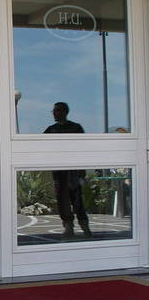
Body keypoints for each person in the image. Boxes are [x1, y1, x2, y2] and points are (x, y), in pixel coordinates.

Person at [44, 102, 92, 237]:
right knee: (62, 200)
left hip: (74, 170)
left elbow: (83, 148)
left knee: (77, 200)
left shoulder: (75, 128)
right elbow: (41, 145)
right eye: (53, 111)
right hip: (58, 171)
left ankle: (85, 227)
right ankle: (68, 227)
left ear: (64, 112)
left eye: (56, 111)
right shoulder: (51, 130)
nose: (54, 113)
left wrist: (82, 169)